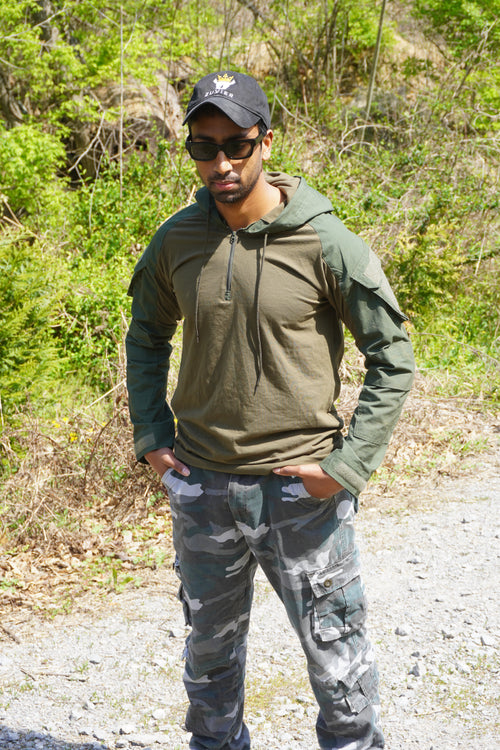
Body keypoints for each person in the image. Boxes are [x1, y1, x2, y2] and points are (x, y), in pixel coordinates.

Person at [125, 70, 415, 750]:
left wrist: (345, 467)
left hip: (299, 493)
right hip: (203, 487)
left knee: (339, 667)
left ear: (266, 142)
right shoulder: (177, 240)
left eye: (237, 144)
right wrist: (152, 434)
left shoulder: (324, 241)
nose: (221, 163)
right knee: (209, 662)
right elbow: (146, 335)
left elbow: (393, 354)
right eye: (204, 147)